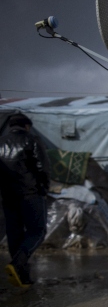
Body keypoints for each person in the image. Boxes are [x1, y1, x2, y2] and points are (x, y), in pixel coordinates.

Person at [0, 113, 50, 287]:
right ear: (26, 126)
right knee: (38, 231)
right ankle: (17, 263)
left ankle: (22, 276)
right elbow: (42, 167)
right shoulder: (32, 140)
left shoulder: (0, 143)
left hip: (8, 196)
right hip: (30, 194)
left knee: (15, 234)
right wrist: (44, 188)